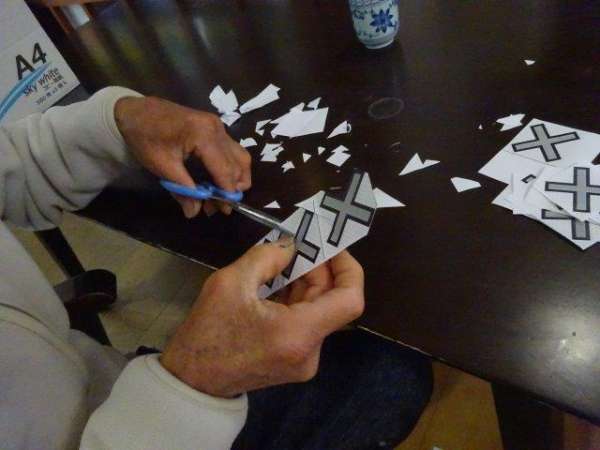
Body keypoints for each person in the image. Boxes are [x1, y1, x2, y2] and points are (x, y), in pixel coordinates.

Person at [0, 86, 432, 450]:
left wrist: (118, 121)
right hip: (147, 427)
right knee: (394, 375)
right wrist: (195, 382)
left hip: (114, 386)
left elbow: (13, 166)